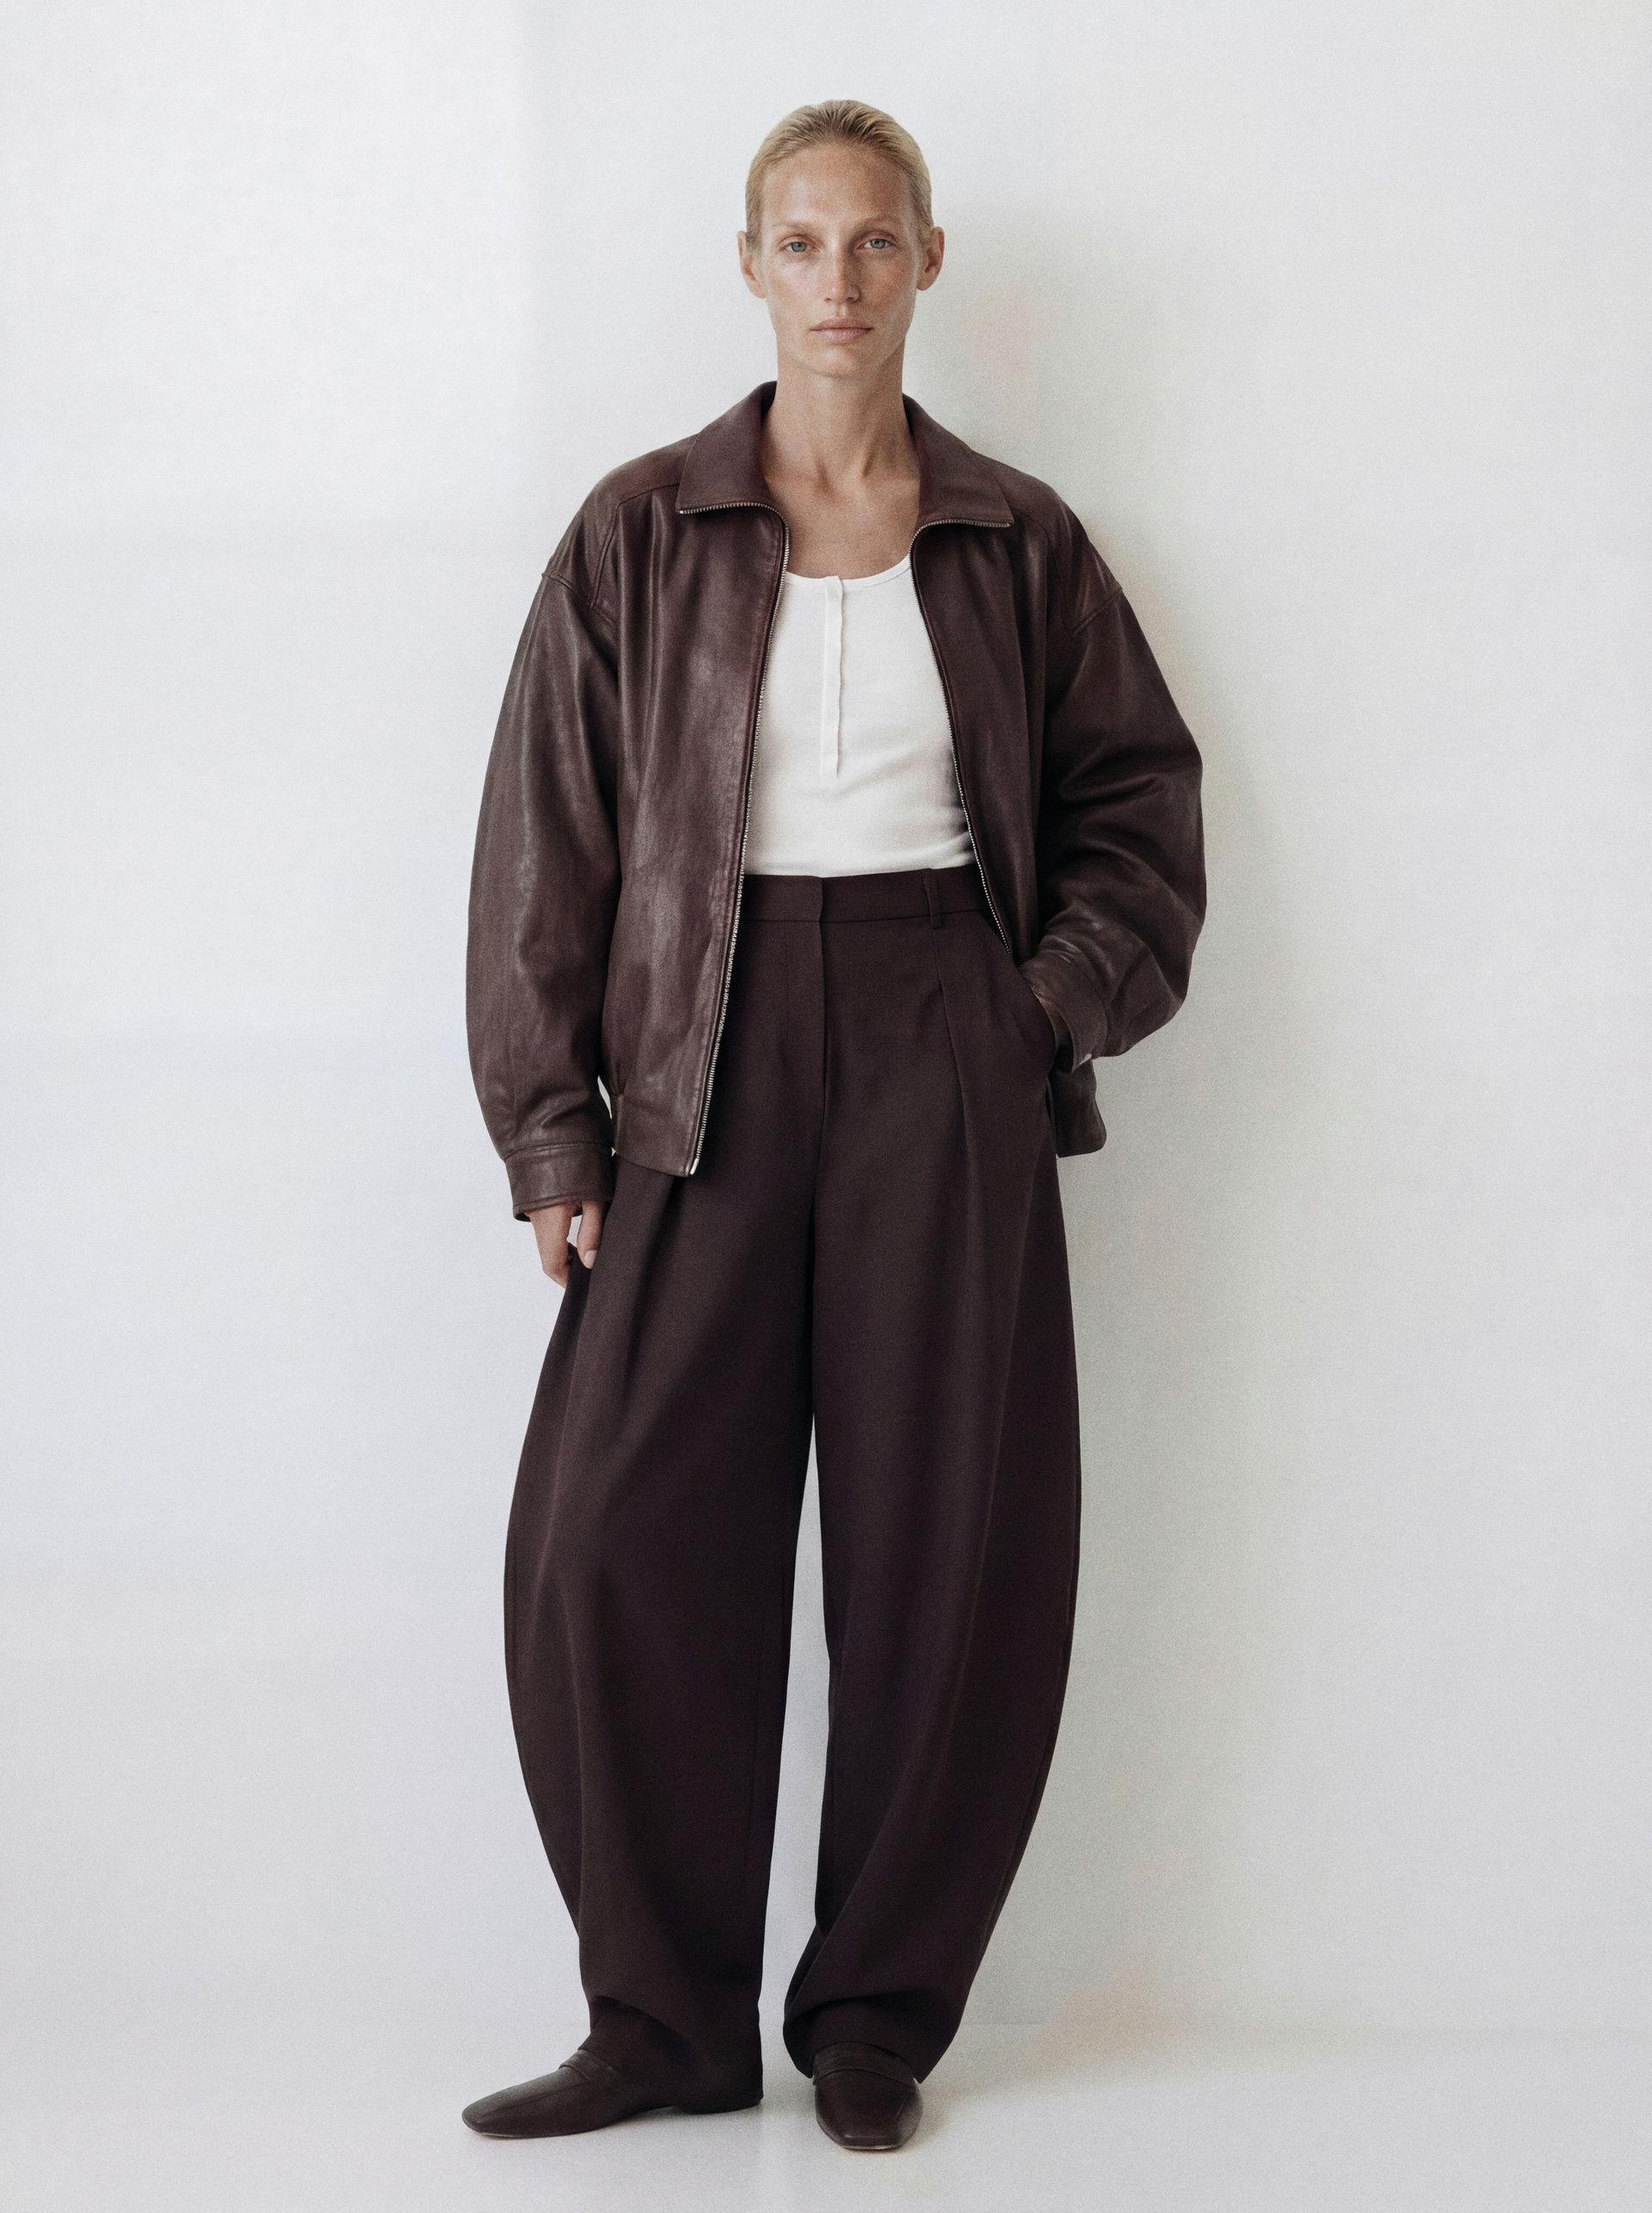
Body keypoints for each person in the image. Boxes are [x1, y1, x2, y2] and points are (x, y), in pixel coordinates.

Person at [460, 98, 1205, 2154]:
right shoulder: (639, 532)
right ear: (751, 266)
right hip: (689, 1058)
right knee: (618, 1537)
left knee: (945, 1544)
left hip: (940, 1033)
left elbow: (1143, 812)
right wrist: (552, 1132)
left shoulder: (1021, 540)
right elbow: (543, 841)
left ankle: (874, 2014)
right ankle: (662, 2017)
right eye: (802, 242)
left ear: (928, 261)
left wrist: (1032, 1010)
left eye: (875, 240)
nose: (841, 280)